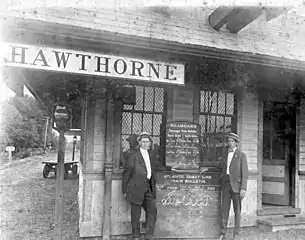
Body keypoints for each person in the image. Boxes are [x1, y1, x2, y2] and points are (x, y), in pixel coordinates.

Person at [122, 132, 157, 240]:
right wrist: (124, 189)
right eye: (143, 142)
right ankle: (136, 236)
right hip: (135, 188)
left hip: (148, 188)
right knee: (135, 215)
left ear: (150, 143)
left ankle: (148, 235)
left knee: (153, 210)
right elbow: (128, 172)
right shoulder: (133, 155)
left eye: (147, 142)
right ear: (140, 143)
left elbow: (151, 172)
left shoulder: (151, 155)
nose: (146, 144)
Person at [219, 133, 248, 240]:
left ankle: (236, 234)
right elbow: (221, 167)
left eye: (232, 141)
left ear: (236, 143)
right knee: (224, 210)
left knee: (237, 211)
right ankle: (223, 233)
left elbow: (245, 174)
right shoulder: (224, 154)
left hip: (237, 186)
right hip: (226, 184)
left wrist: (243, 188)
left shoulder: (241, 155)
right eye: (229, 141)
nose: (230, 143)